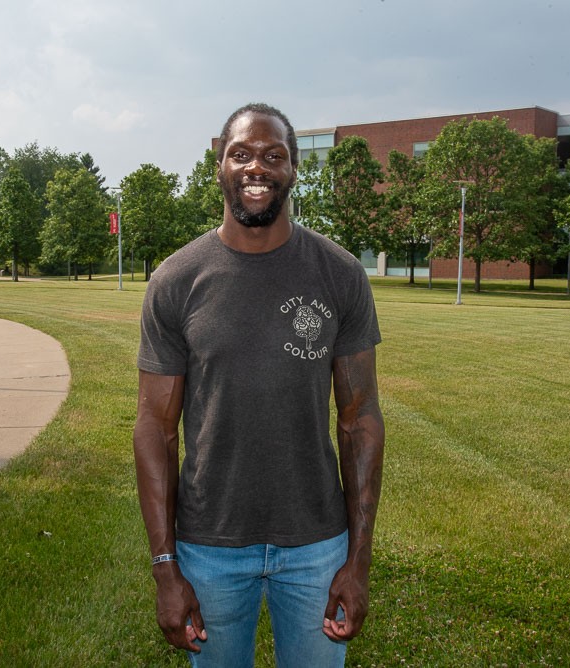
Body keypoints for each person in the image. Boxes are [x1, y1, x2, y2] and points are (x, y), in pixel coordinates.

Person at [133, 102, 384, 667]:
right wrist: (165, 565)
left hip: (318, 546)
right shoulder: (177, 280)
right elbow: (155, 429)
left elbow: (360, 419)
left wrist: (358, 559)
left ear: (294, 169)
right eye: (240, 154)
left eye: (275, 155)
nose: (257, 167)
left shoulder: (339, 274)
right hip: (209, 546)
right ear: (218, 165)